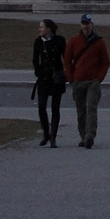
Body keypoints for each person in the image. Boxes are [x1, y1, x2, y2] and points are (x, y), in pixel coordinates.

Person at [64, 14, 110, 149]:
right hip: (78, 81)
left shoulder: (99, 42)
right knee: (81, 110)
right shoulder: (74, 41)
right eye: (83, 23)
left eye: (88, 23)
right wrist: (71, 77)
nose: (86, 26)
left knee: (91, 107)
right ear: (80, 25)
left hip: (92, 82)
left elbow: (105, 62)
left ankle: (90, 134)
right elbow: (67, 61)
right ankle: (83, 135)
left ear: (92, 25)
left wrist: (99, 78)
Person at [32, 19, 67, 147]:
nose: (39, 29)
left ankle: (53, 136)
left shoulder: (60, 40)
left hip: (56, 78)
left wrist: (65, 72)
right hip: (43, 79)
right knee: (41, 107)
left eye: (42, 27)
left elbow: (66, 57)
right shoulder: (38, 42)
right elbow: (35, 60)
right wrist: (39, 72)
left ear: (49, 29)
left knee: (55, 108)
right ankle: (46, 133)